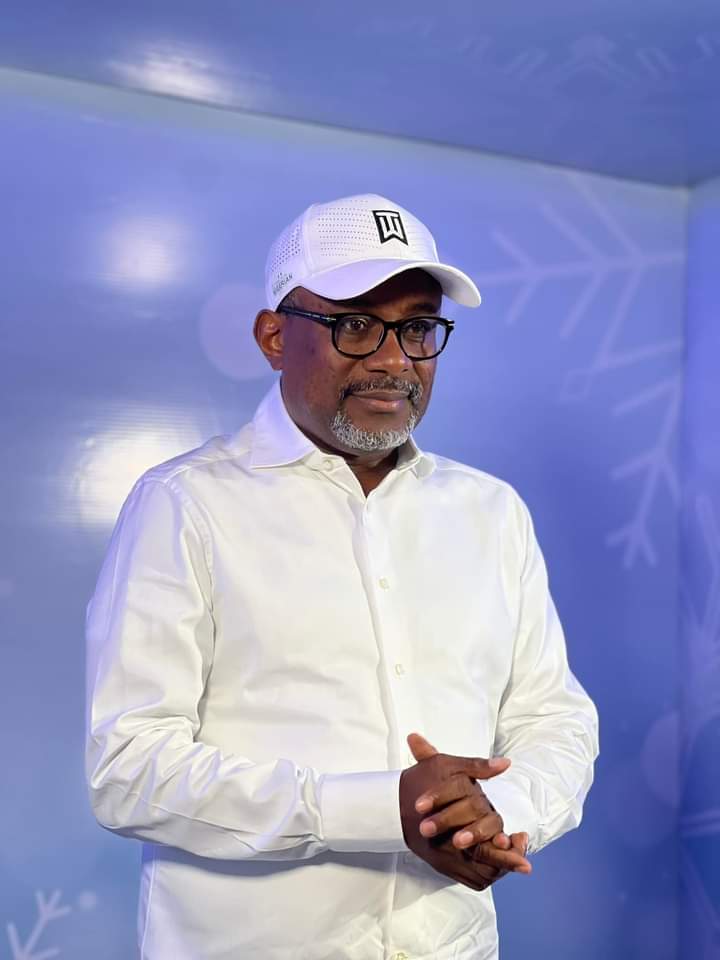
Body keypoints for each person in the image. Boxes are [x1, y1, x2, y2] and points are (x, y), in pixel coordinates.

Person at [85, 193, 599, 960]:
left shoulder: (490, 512)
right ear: (273, 337)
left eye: (419, 328)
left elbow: (554, 720)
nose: (395, 360)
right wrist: (378, 810)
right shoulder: (185, 504)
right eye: (355, 324)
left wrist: (495, 812)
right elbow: (128, 768)